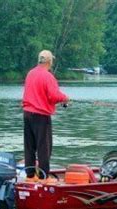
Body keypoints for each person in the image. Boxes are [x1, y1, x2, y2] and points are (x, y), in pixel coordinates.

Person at [22, 50, 69, 183]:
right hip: (41, 116)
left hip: (27, 114)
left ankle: (30, 176)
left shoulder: (30, 73)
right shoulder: (48, 76)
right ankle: (44, 177)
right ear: (49, 61)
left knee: (29, 146)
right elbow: (54, 96)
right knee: (44, 146)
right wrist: (66, 98)